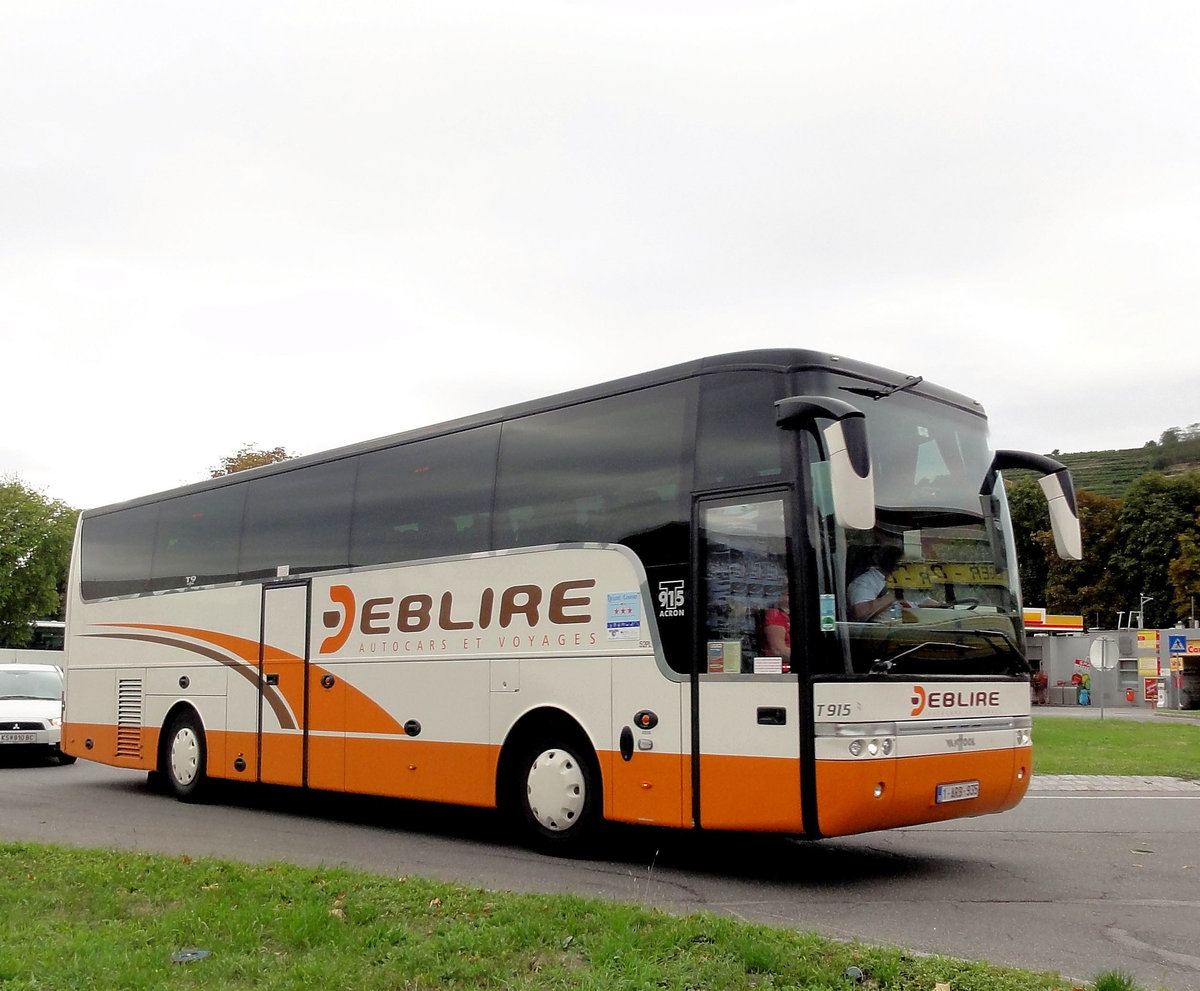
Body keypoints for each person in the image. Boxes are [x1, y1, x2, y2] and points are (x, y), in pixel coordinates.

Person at [847, 536, 939, 621]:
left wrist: (945, 606)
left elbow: (921, 601)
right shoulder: (864, 582)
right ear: (876, 557)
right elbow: (861, 614)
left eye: (898, 553)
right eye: (890, 554)